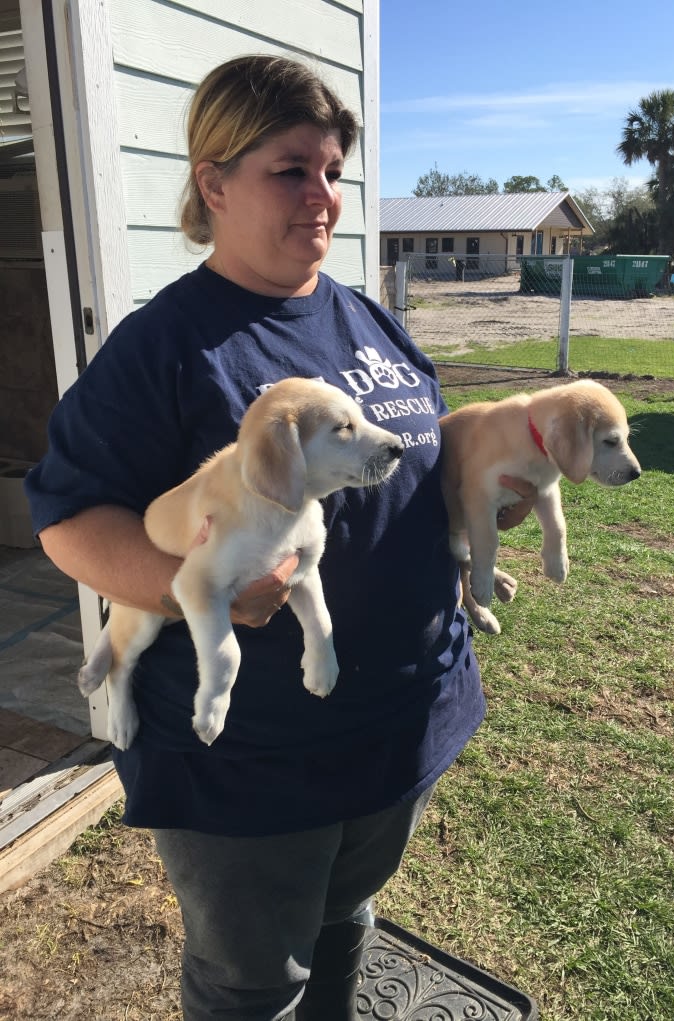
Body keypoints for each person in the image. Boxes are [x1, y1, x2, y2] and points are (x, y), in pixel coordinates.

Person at [25, 55, 536, 1021]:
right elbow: (69, 520)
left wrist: (486, 501)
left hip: (400, 722)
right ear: (214, 182)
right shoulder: (168, 348)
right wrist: (206, 583)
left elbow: (414, 470)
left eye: (334, 172)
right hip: (257, 764)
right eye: (291, 170)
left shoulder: (367, 320)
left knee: (349, 926)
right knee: (253, 986)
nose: (324, 197)